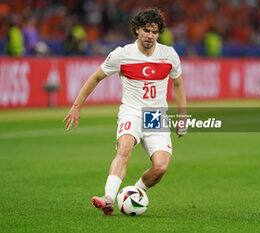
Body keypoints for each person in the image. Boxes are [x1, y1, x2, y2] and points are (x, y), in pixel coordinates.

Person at [63, 8, 187, 215]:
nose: (150, 36)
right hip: (132, 112)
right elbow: (96, 77)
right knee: (125, 149)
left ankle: (131, 194)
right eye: (146, 30)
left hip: (156, 117)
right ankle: (109, 198)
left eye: (155, 32)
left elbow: (178, 85)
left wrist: (183, 117)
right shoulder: (122, 55)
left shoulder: (169, 55)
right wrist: (77, 106)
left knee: (160, 168)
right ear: (137, 29)